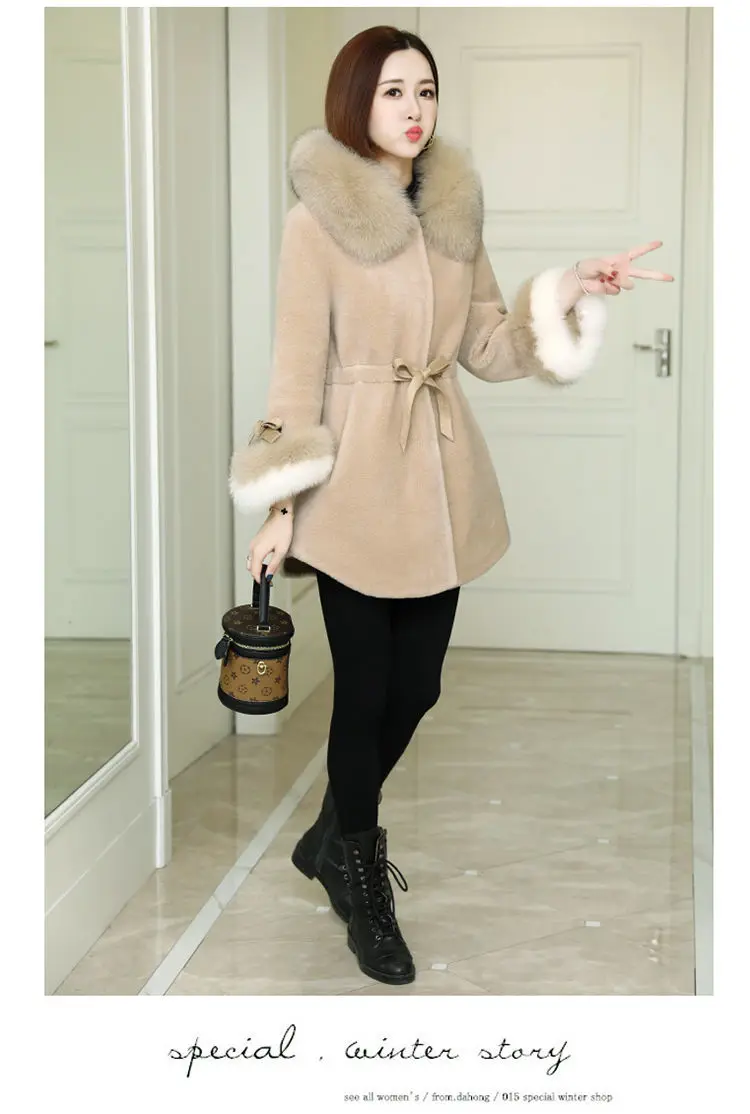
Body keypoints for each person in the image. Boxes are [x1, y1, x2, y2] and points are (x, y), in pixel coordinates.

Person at [228, 26, 674, 988]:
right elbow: (295, 368)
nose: (414, 108)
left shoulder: (454, 207)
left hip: (437, 475)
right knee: (364, 693)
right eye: (393, 90)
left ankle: (329, 837)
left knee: (419, 686)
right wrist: (279, 503)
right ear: (357, 100)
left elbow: (487, 345)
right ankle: (361, 885)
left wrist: (569, 289)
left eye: (425, 90)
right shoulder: (316, 221)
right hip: (351, 487)